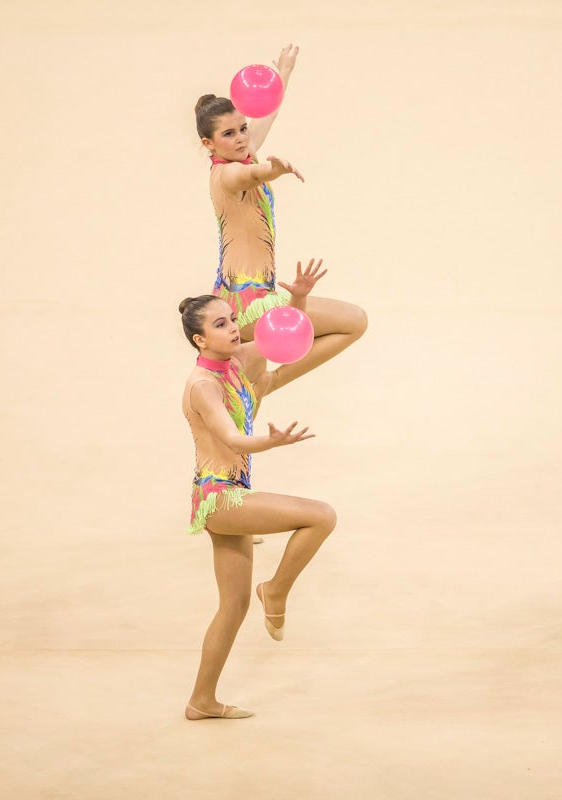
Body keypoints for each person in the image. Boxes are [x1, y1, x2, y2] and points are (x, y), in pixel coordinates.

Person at [180, 259, 342, 720]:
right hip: (222, 498)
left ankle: (201, 701)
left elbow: (285, 344)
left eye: (231, 319)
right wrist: (268, 442)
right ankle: (275, 591)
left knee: (231, 608)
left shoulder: (238, 366)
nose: (234, 328)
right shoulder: (203, 386)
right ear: (199, 339)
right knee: (321, 515)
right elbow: (231, 439)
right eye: (220, 324)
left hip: (222, 494)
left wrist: (299, 300)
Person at [194, 44, 366, 347]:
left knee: (351, 323)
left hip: (257, 294)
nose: (241, 138)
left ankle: (263, 380)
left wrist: (284, 71)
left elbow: (267, 114)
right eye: (229, 134)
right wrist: (273, 171)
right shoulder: (227, 175)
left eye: (242, 128)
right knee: (354, 321)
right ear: (208, 143)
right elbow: (251, 175)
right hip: (247, 304)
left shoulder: (245, 152)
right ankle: (271, 380)